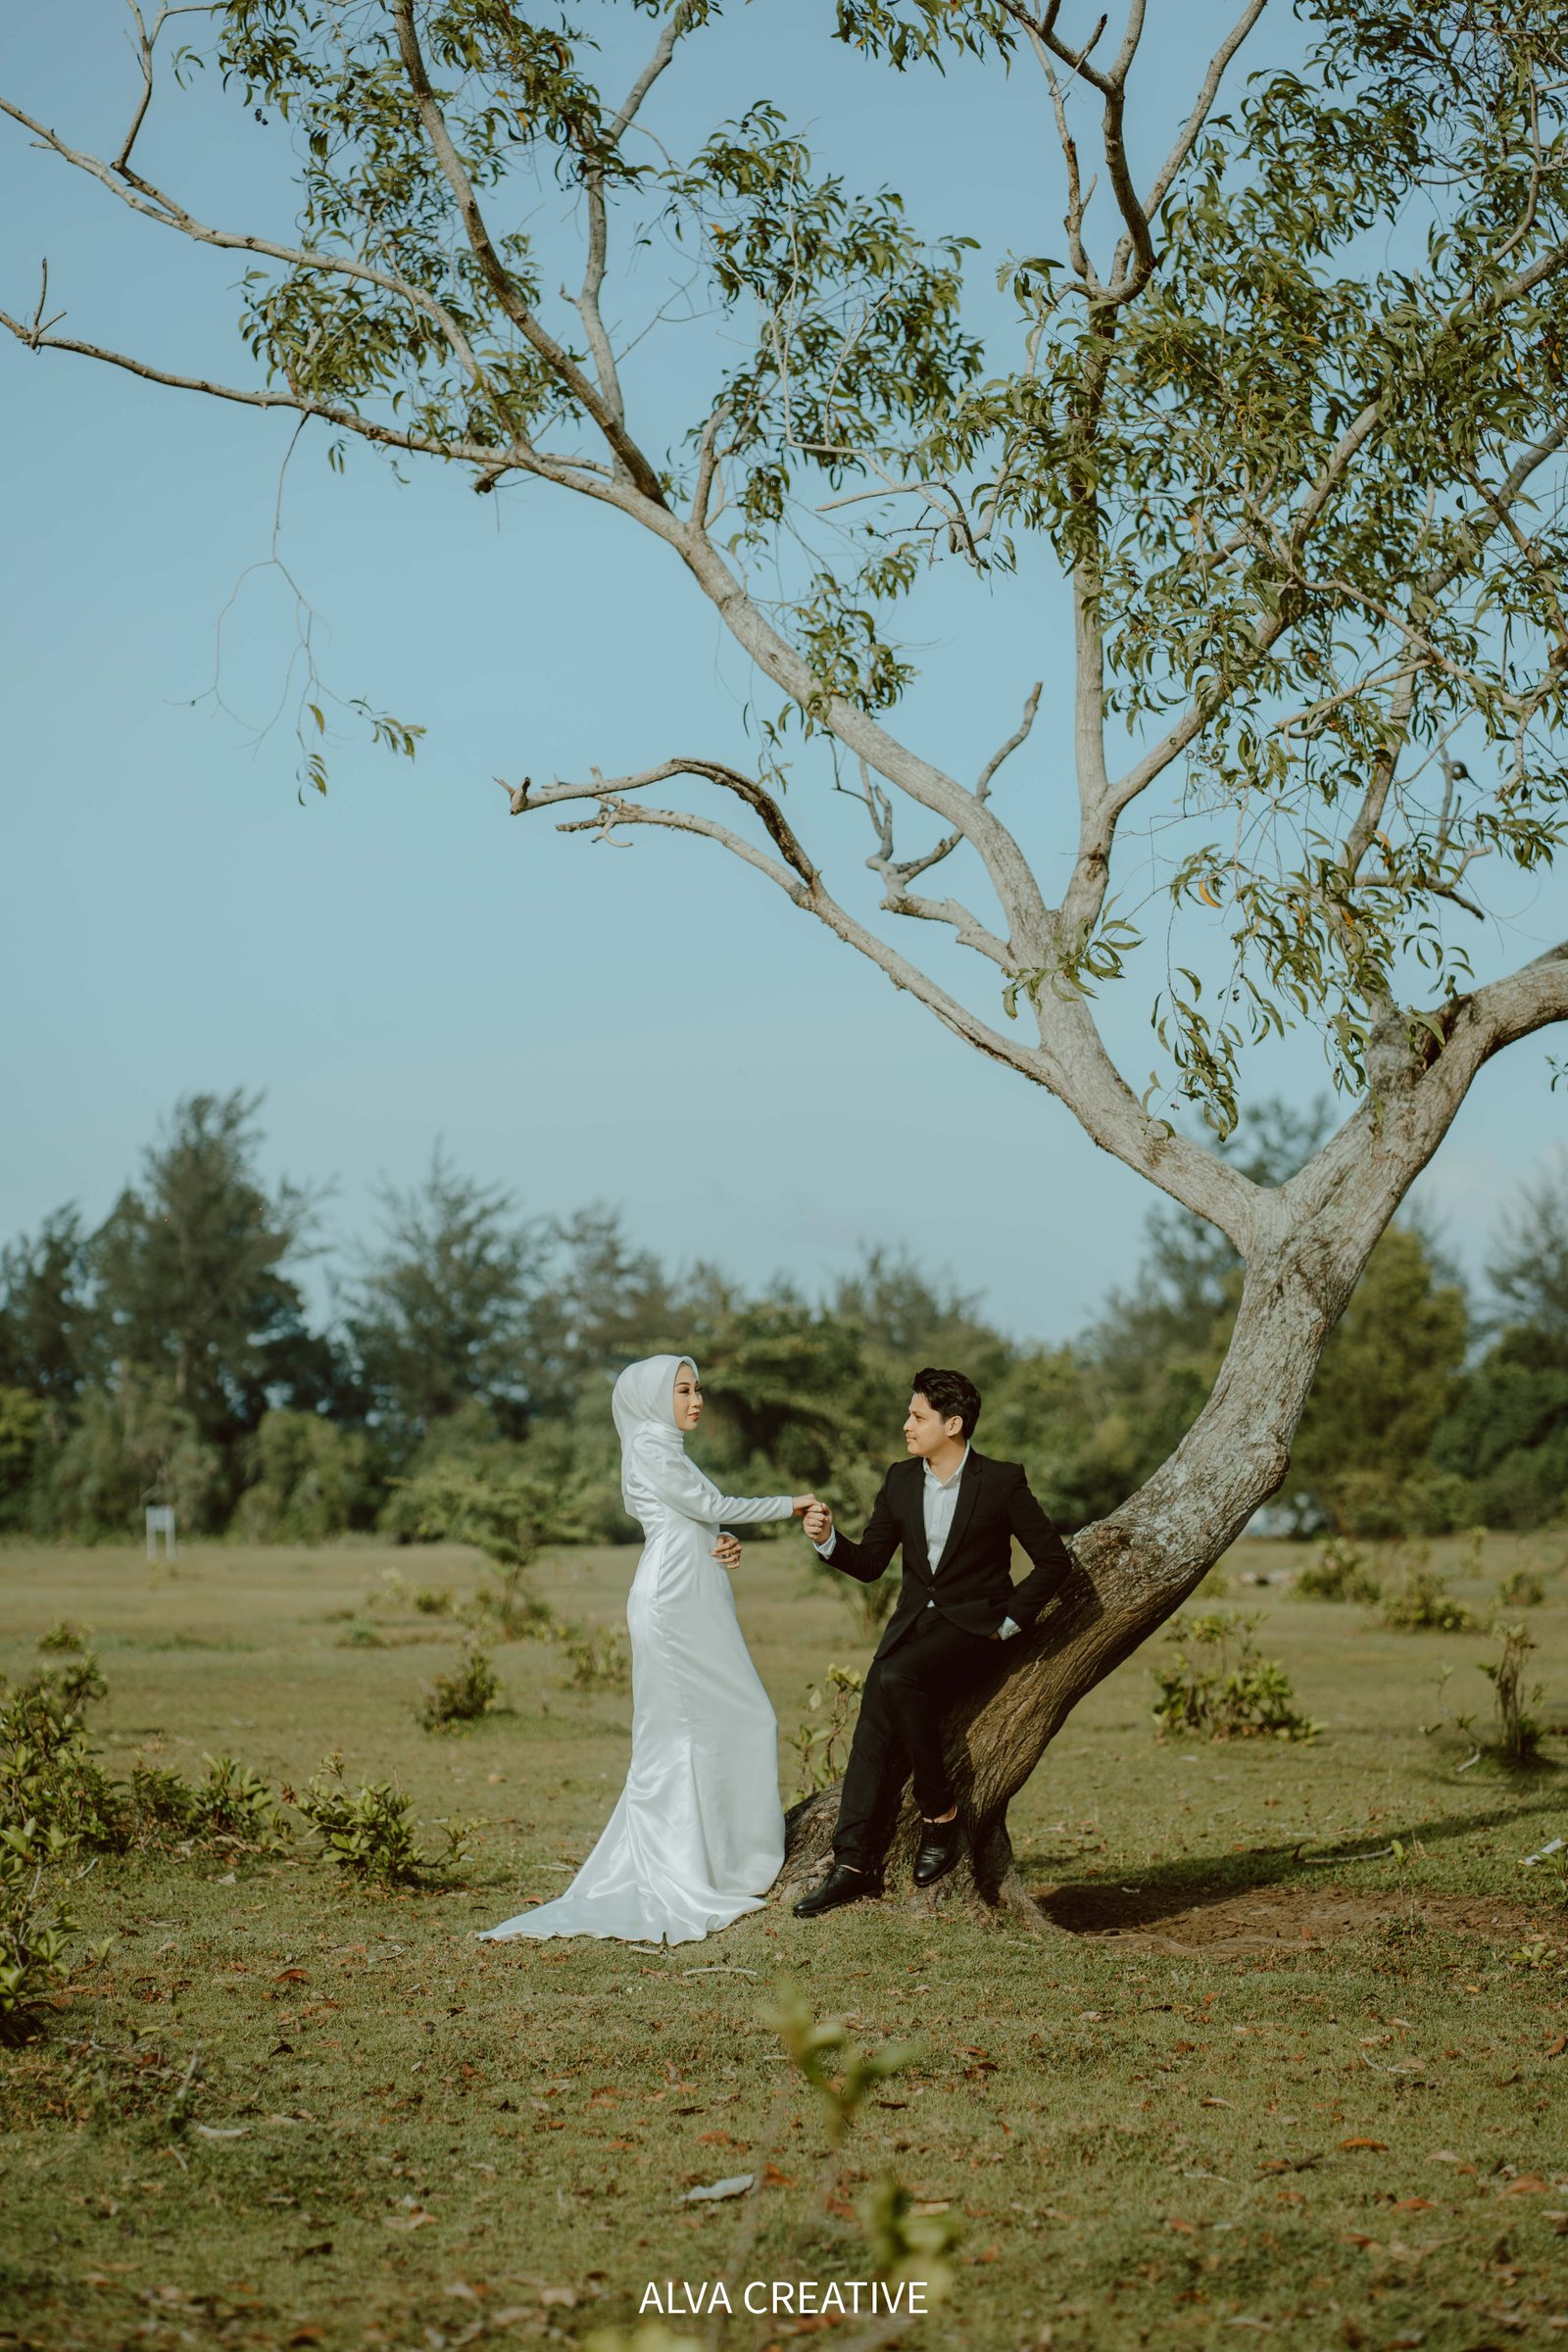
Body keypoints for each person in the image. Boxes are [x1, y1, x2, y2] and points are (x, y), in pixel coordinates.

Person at [479, 1354, 815, 1947]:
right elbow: (709, 1507)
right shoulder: (650, 1448)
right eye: (683, 1391)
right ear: (653, 1399)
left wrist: (723, 1542)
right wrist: (792, 1504)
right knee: (690, 1732)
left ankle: (721, 1862)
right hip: (672, 1603)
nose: (696, 1400)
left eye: (698, 1389)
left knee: (727, 1724)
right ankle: (693, 1867)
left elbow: (697, 1518)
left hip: (698, 1598)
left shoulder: (669, 1450)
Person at [793, 1366, 1072, 1918]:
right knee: (872, 1722)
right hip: (913, 1629)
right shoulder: (900, 1480)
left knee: (898, 1676)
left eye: (918, 1416)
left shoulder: (1001, 1481)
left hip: (977, 1630)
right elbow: (871, 1563)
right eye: (909, 1414)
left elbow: (1053, 1561)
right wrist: (828, 1541)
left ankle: (940, 1813)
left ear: (953, 1424)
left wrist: (1009, 1622)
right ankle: (851, 1866)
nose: (907, 1425)